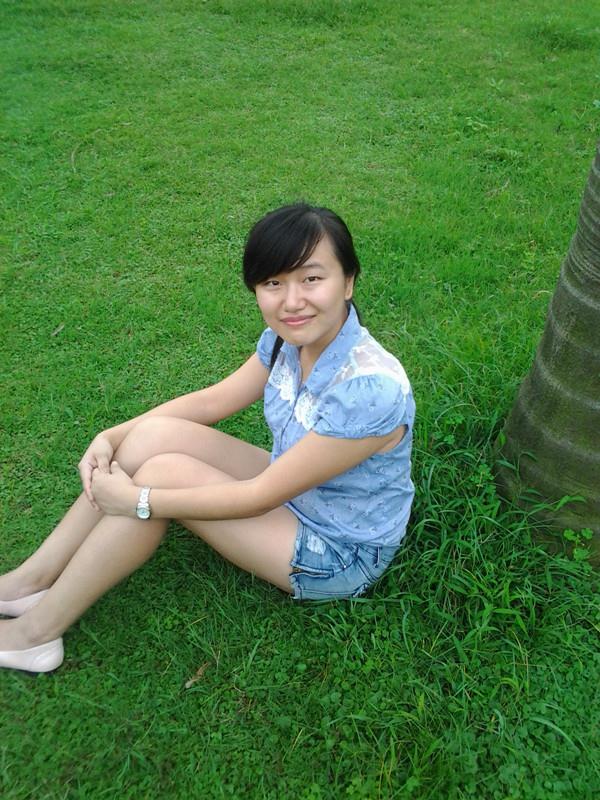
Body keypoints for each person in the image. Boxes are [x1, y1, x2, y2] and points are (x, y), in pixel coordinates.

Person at [0, 203, 416, 673]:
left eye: (311, 279)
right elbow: (210, 402)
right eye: (273, 283)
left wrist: (139, 501)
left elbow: (260, 496)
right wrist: (110, 436)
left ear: (348, 281)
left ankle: (34, 636)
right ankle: (31, 581)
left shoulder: (369, 390)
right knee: (152, 437)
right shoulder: (287, 341)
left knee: (161, 475)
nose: (292, 301)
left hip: (338, 549)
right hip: (297, 486)